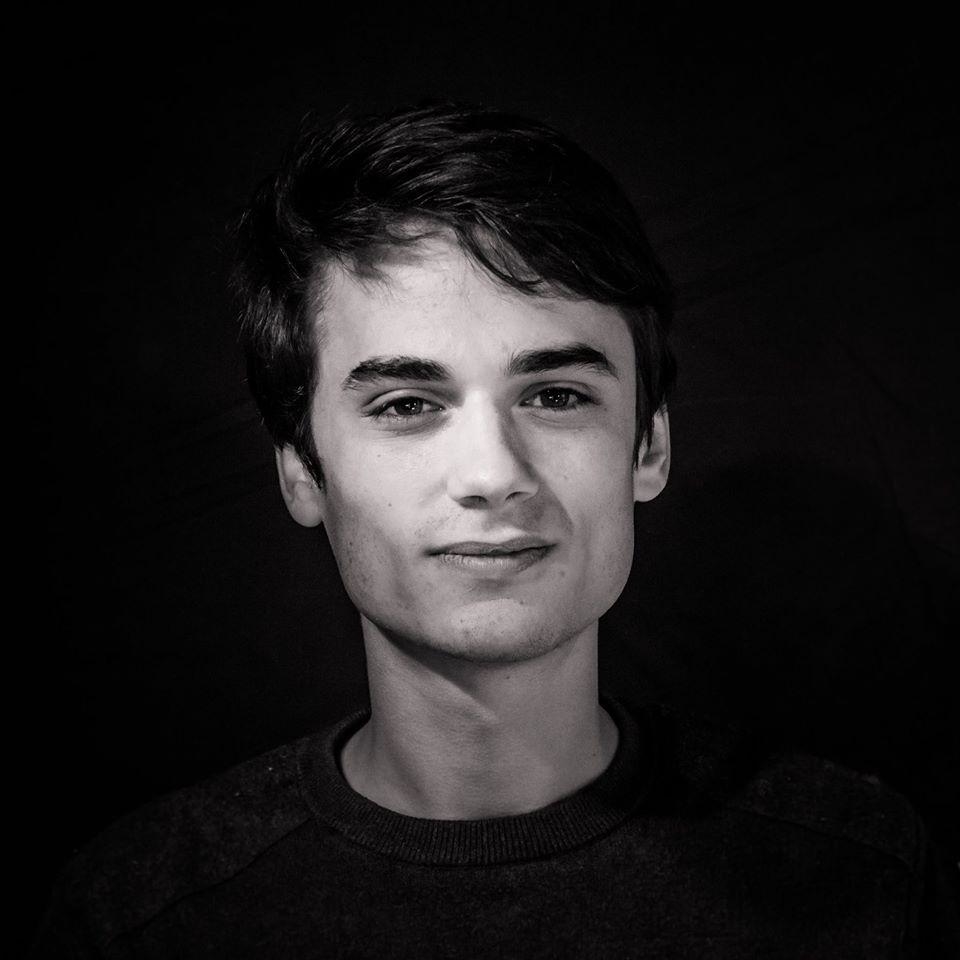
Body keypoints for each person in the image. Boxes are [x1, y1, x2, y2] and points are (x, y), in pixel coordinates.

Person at [34, 102, 957, 958]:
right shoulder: (141, 918)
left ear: (649, 446)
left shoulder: (864, 879)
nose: (492, 473)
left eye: (556, 396)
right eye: (405, 404)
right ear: (301, 470)